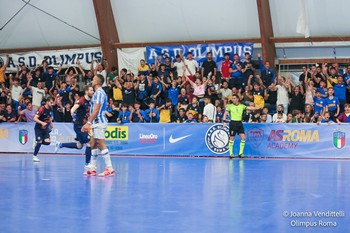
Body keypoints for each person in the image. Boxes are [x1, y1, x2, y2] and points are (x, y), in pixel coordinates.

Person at [82, 74, 115, 177]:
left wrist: (88, 123)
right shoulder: (97, 93)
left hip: (99, 122)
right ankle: (92, 168)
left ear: (97, 81)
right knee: (93, 143)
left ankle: (109, 168)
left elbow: (96, 110)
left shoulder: (100, 93)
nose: (91, 80)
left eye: (93, 79)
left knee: (101, 143)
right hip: (95, 123)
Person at [55, 85, 94, 167]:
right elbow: (73, 109)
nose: (93, 91)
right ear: (86, 91)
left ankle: (60, 144)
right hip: (79, 126)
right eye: (91, 90)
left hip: (85, 125)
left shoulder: (90, 101)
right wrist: (73, 116)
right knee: (89, 143)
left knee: (79, 146)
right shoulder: (81, 100)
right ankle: (87, 164)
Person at [223, 94, 257, 158]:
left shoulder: (242, 106)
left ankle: (240, 153)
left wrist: (257, 108)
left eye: (234, 98)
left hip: (239, 123)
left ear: (237, 99)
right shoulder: (230, 106)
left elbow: (249, 107)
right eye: (232, 98)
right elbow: (225, 114)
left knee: (243, 138)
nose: (233, 99)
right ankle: (231, 153)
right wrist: (224, 122)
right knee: (232, 138)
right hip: (233, 123)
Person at [32, 97, 54, 162]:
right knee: (40, 141)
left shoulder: (50, 109)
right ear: (47, 102)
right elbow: (35, 118)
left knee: (48, 142)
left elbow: (50, 118)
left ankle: (37, 142)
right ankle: (34, 156)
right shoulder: (42, 109)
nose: (52, 104)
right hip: (38, 128)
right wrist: (42, 122)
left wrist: (51, 124)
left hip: (45, 128)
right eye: (51, 102)